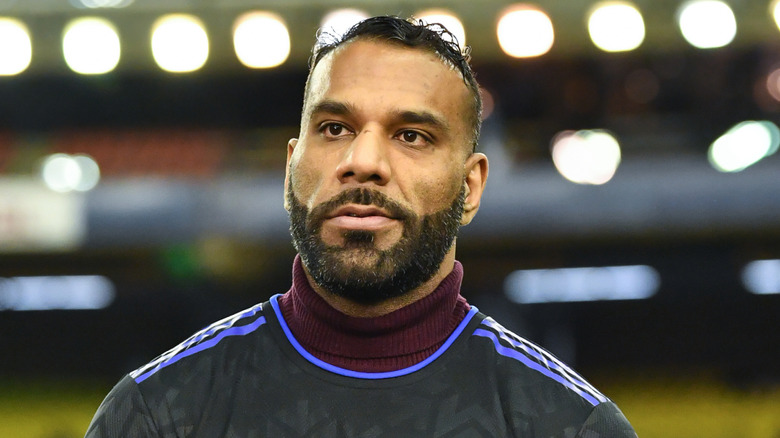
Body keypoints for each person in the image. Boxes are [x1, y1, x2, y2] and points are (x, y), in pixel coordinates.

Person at [85, 16, 637, 437]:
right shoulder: (157, 415)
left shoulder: (567, 424)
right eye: (334, 128)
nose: (364, 159)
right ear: (290, 170)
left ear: (470, 188)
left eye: (412, 135)